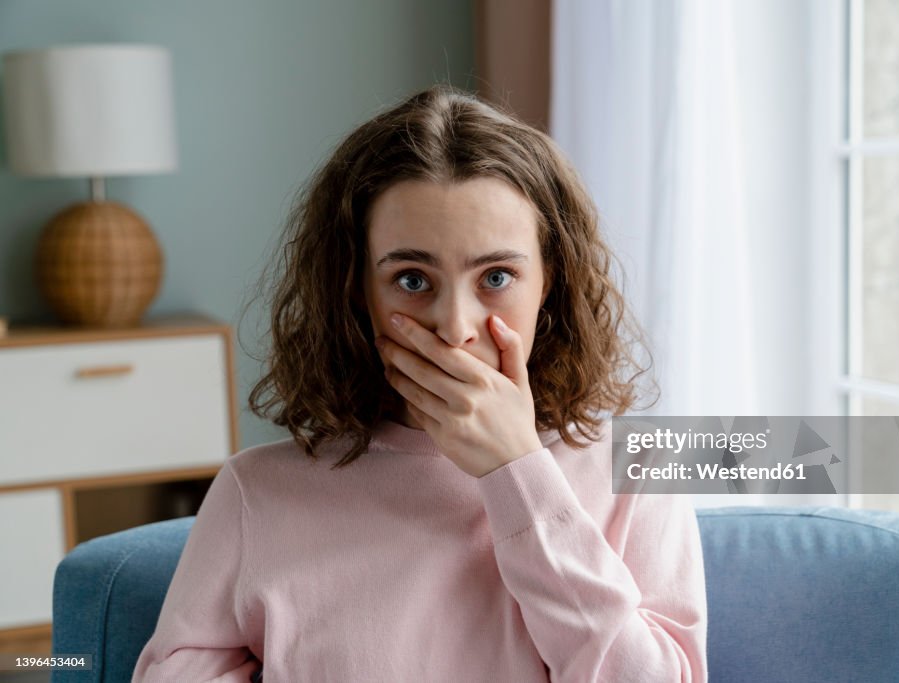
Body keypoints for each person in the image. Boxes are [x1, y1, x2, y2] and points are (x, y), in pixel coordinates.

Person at [131, 83, 708, 682]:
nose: (455, 327)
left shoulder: (640, 468)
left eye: (497, 276)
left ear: (550, 284)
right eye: (412, 280)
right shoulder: (256, 491)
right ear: (357, 290)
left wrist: (517, 471)